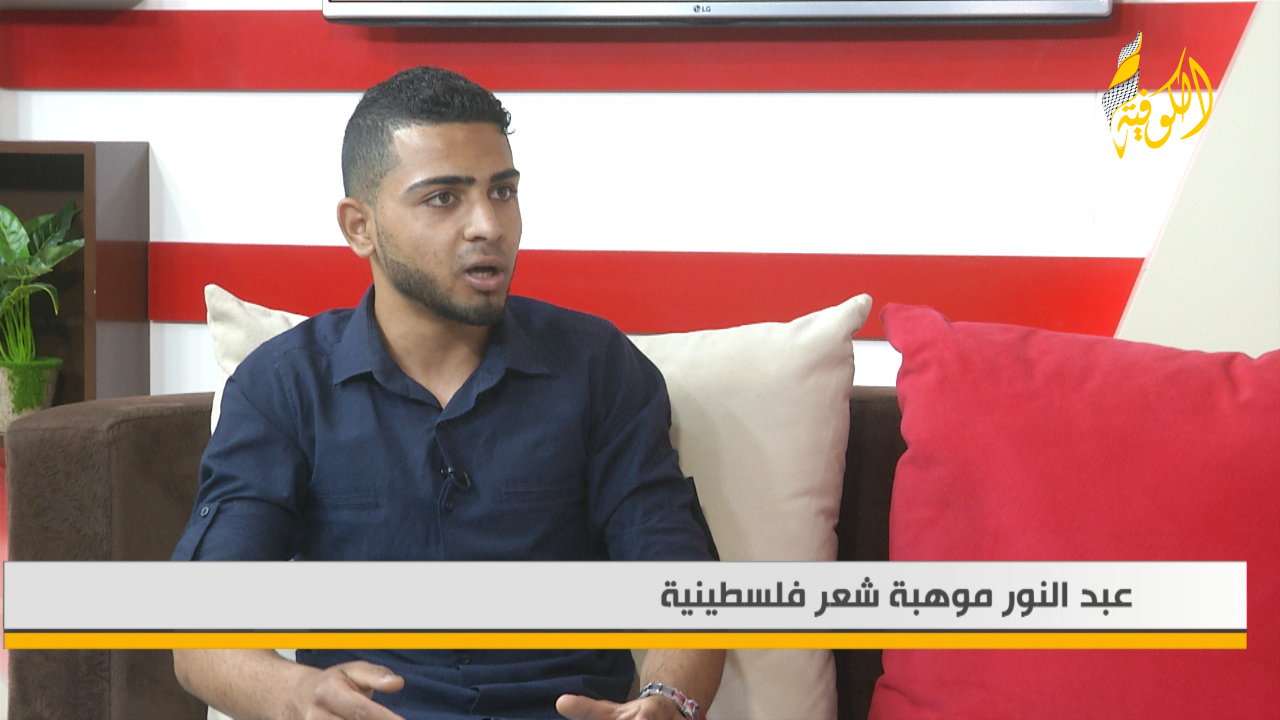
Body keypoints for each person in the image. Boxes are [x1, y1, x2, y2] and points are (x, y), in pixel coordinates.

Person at [170, 65, 725, 720]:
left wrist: (666, 702)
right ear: (359, 226)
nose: (488, 225)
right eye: (443, 198)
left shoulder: (598, 367)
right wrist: (295, 695)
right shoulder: (284, 386)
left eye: (503, 192)